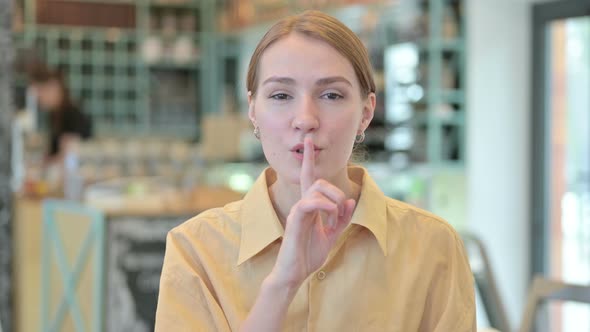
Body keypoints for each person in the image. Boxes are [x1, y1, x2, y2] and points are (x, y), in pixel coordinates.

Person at [155, 10, 475, 332]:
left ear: (366, 112)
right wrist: (282, 283)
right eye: (281, 95)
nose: (306, 118)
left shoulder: (434, 246)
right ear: (253, 110)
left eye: (331, 95)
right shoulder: (195, 251)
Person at [28, 63, 92, 162]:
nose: (38, 99)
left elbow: (68, 155)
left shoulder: (71, 114)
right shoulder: (54, 114)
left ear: (54, 88)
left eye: (41, 93)